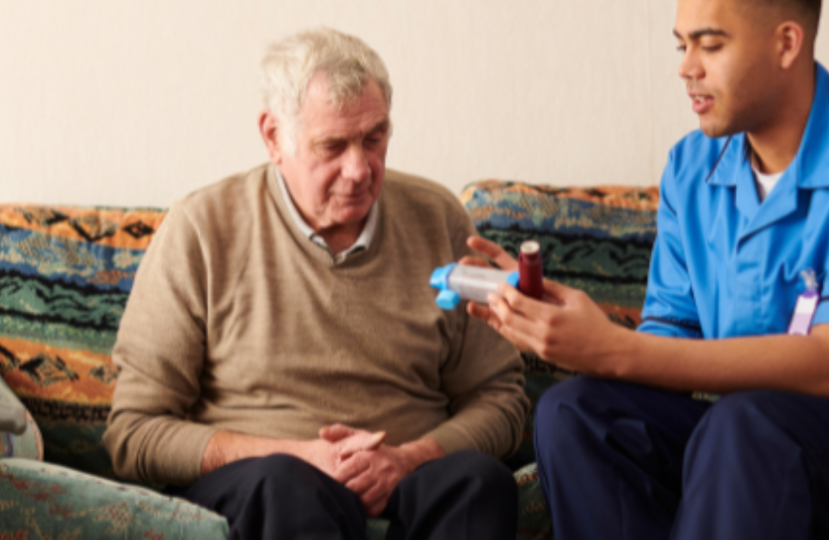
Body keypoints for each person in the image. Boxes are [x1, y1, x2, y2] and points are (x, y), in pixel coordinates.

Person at [102, 27, 528, 540]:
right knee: (287, 485)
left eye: (374, 138)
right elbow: (134, 433)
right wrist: (293, 453)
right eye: (332, 146)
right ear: (273, 136)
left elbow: (501, 398)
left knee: (479, 481)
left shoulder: (438, 218)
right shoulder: (201, 228)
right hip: (266, 483)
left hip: (412, 474)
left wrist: (410, 458)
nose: (359, 169)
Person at [461, 0, 829, 538]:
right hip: (736, 439)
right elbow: (664, 341)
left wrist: (616, 349)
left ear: (786, 43)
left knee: (742, 424)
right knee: (574, 413)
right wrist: (562, 328)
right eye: (681, 44)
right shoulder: (691, 168)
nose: (685, 67)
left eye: (710, 45)